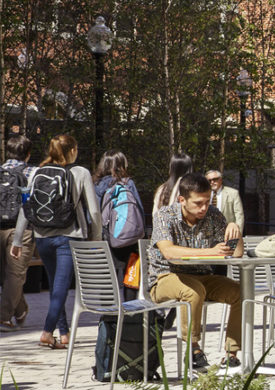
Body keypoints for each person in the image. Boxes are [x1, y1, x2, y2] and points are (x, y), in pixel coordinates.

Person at [10, 133, 101, 348]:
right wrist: (95, 239)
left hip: (42, 237)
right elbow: (94, 211)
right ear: (72, 151)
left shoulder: (38, 172)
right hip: (69, 237)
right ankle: (47, 330)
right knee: (60, 288)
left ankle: (64, 333)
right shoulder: (81, 173)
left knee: (55, 286)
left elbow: (27, 208)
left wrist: (18, 240)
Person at [148, 171, 245, 372]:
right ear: (182, 200)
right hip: (166, 277)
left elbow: (236, 253)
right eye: (198, 203)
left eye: (207, 201)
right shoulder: (165, 216)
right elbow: (169, 252)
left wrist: (235, 229)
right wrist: (210, 252)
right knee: (192, 292)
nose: (204, 207)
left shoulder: (214, 215)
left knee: (240, 292)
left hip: (202, 277)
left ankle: (231, 354)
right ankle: (194, 351)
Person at [95, 151, 145, 294]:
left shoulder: (96, 184)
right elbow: (139, 210)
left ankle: (109, 314)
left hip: (105, 239)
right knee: (130, 274)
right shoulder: (128, 183)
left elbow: (92, 213)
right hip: (128, 238)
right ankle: (130, 314)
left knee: (107, 277)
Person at [0, 135, 35, 329]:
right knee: (15, 274)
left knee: (8, 274)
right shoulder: (32, 172)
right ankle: (5, 316)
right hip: (23, 229)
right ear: (28, 154)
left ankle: (18, 310)